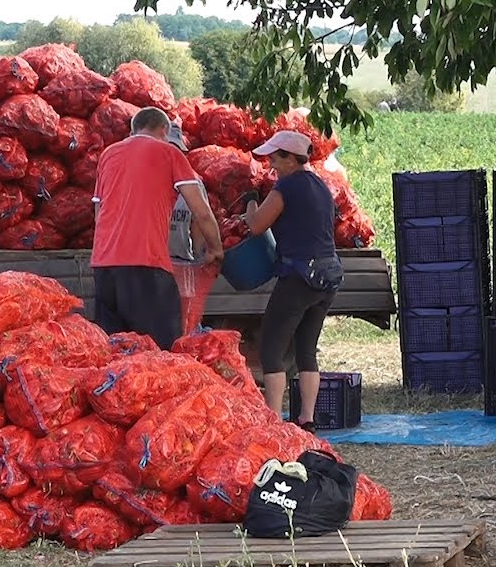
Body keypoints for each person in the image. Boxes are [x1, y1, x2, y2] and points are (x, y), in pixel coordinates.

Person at [91, 106, 224, 350]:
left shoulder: (109, 155)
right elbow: (201, 211)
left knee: (113, 349)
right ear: (164, 130)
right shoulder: (169, 153)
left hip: (104, 266)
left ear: (134, 130)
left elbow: (99, 216)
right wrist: (215, 248)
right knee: (160, 351)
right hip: (146, 265)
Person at [243, 130, 343, 433]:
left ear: (290, 158)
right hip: (328, 276)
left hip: (298, 277)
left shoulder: (286, 187)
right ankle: (306, 420)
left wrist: (250, 203)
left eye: (275, 156)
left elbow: (257, 225)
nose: (271, 162)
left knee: (271, 349)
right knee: (306, 349)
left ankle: (273, 421)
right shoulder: (320, 185)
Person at [165, 120, 210, 264]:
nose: (171, 155)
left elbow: (199, 221)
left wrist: (198, 258)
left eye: (175, 150)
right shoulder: (142, 180)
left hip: (181, 261)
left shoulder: (194, 183)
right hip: (148, 264)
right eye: (166, 149)